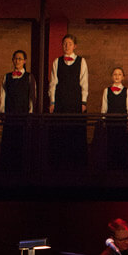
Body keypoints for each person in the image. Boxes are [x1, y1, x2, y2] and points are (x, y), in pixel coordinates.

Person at [48, 34, 89, 169]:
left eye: (70, 43)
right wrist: (52, 102)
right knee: (60, 132)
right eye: (65, 43)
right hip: (61, 101)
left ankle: (76, 165)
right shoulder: (57, 61)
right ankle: (59, 164)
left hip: (75, 101)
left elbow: (84, 83)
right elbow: (53, 83)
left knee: (75, 132)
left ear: (74, 46)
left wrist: (83, 102)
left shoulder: (81, 61)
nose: (67, 46)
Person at [0, 49, 36, 173]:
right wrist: (2, 111)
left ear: (24, 61)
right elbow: (3, 95)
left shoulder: (29, 77)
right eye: (15, 58)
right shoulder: (7, 76)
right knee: (9, 142)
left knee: (22, 142)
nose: (17, 61)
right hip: (10, 114)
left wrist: (30, 113)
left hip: (23, 115)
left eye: (20, 59)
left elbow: (32, 96)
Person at [100, 67, 128, 171]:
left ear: (123, 77)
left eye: (119, 74)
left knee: (122, 145)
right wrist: (103, 120)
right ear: (111, 77)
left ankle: (123, 169)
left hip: (122, 122)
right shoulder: (107, 90)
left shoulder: (127, 91)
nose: (117, 76)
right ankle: (111, 168)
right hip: (110, 122)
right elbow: (104, 108)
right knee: (111, 144)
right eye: (115, 74)